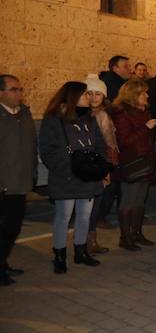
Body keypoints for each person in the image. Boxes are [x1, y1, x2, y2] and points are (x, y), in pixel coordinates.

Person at [40, 81, 109, 273]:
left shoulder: (90, 119)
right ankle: (59, 256)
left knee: (85, 216)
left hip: (88, 176)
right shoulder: (54, 119)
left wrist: (98, 167)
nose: (89, 98)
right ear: (74, 97)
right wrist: (67, 168)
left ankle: (81, 252)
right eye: (86, 94)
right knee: (63, 216)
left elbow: (100, 145)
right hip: (66, 177)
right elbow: (47, 150)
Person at [112, 79, 156, 250]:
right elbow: (124, 141)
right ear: (133, 95)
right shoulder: (122, 114)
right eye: (143, 93)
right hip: (132, 163)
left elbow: (147, 137)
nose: (147, 95)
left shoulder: (144, 111)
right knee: (128, 200)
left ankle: (137, 233)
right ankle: (125, 237)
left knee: (140, 200)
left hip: (146, 161)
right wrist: (146, 128)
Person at [0, 75, 37, 286]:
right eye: (14, 89)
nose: (19, 93)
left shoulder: (25, 114)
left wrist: (32, 173)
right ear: (1, 93)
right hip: (3, 184)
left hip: (20, 183)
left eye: (20, 89)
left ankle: (3, 262)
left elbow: (31, 147)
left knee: (12, 227)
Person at [84, 74, 118, 255]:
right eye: (90, 93)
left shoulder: (103, 115)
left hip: (98, 165)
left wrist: (107, 169)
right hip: (83, 165)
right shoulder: (80, 114)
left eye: (98, 93)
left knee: (94, 205)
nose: (94, 97)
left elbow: (110, 143)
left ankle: (90, 241)